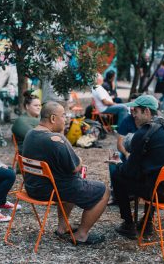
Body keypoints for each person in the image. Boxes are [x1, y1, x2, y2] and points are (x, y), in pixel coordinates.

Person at [22, 101, 110, 245]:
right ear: (52, 119)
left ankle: (63, 227)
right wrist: (80, 159)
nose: (66, 119)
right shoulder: (56, 140)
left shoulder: (30, 134)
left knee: (70, 179)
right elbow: (75, 166)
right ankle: (81, 235)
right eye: (63, 116)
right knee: (104, 191)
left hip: (32, 187)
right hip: (51, 190)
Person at [110, 95, 164, 239]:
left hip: (158, 195)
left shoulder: (143, 133)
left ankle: (128, 224)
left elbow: (129, 171)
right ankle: (147, 221)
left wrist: (119, 165)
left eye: (136, 111)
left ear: (146, 112)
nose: (133, 116)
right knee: (154, 173)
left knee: (117, 176)